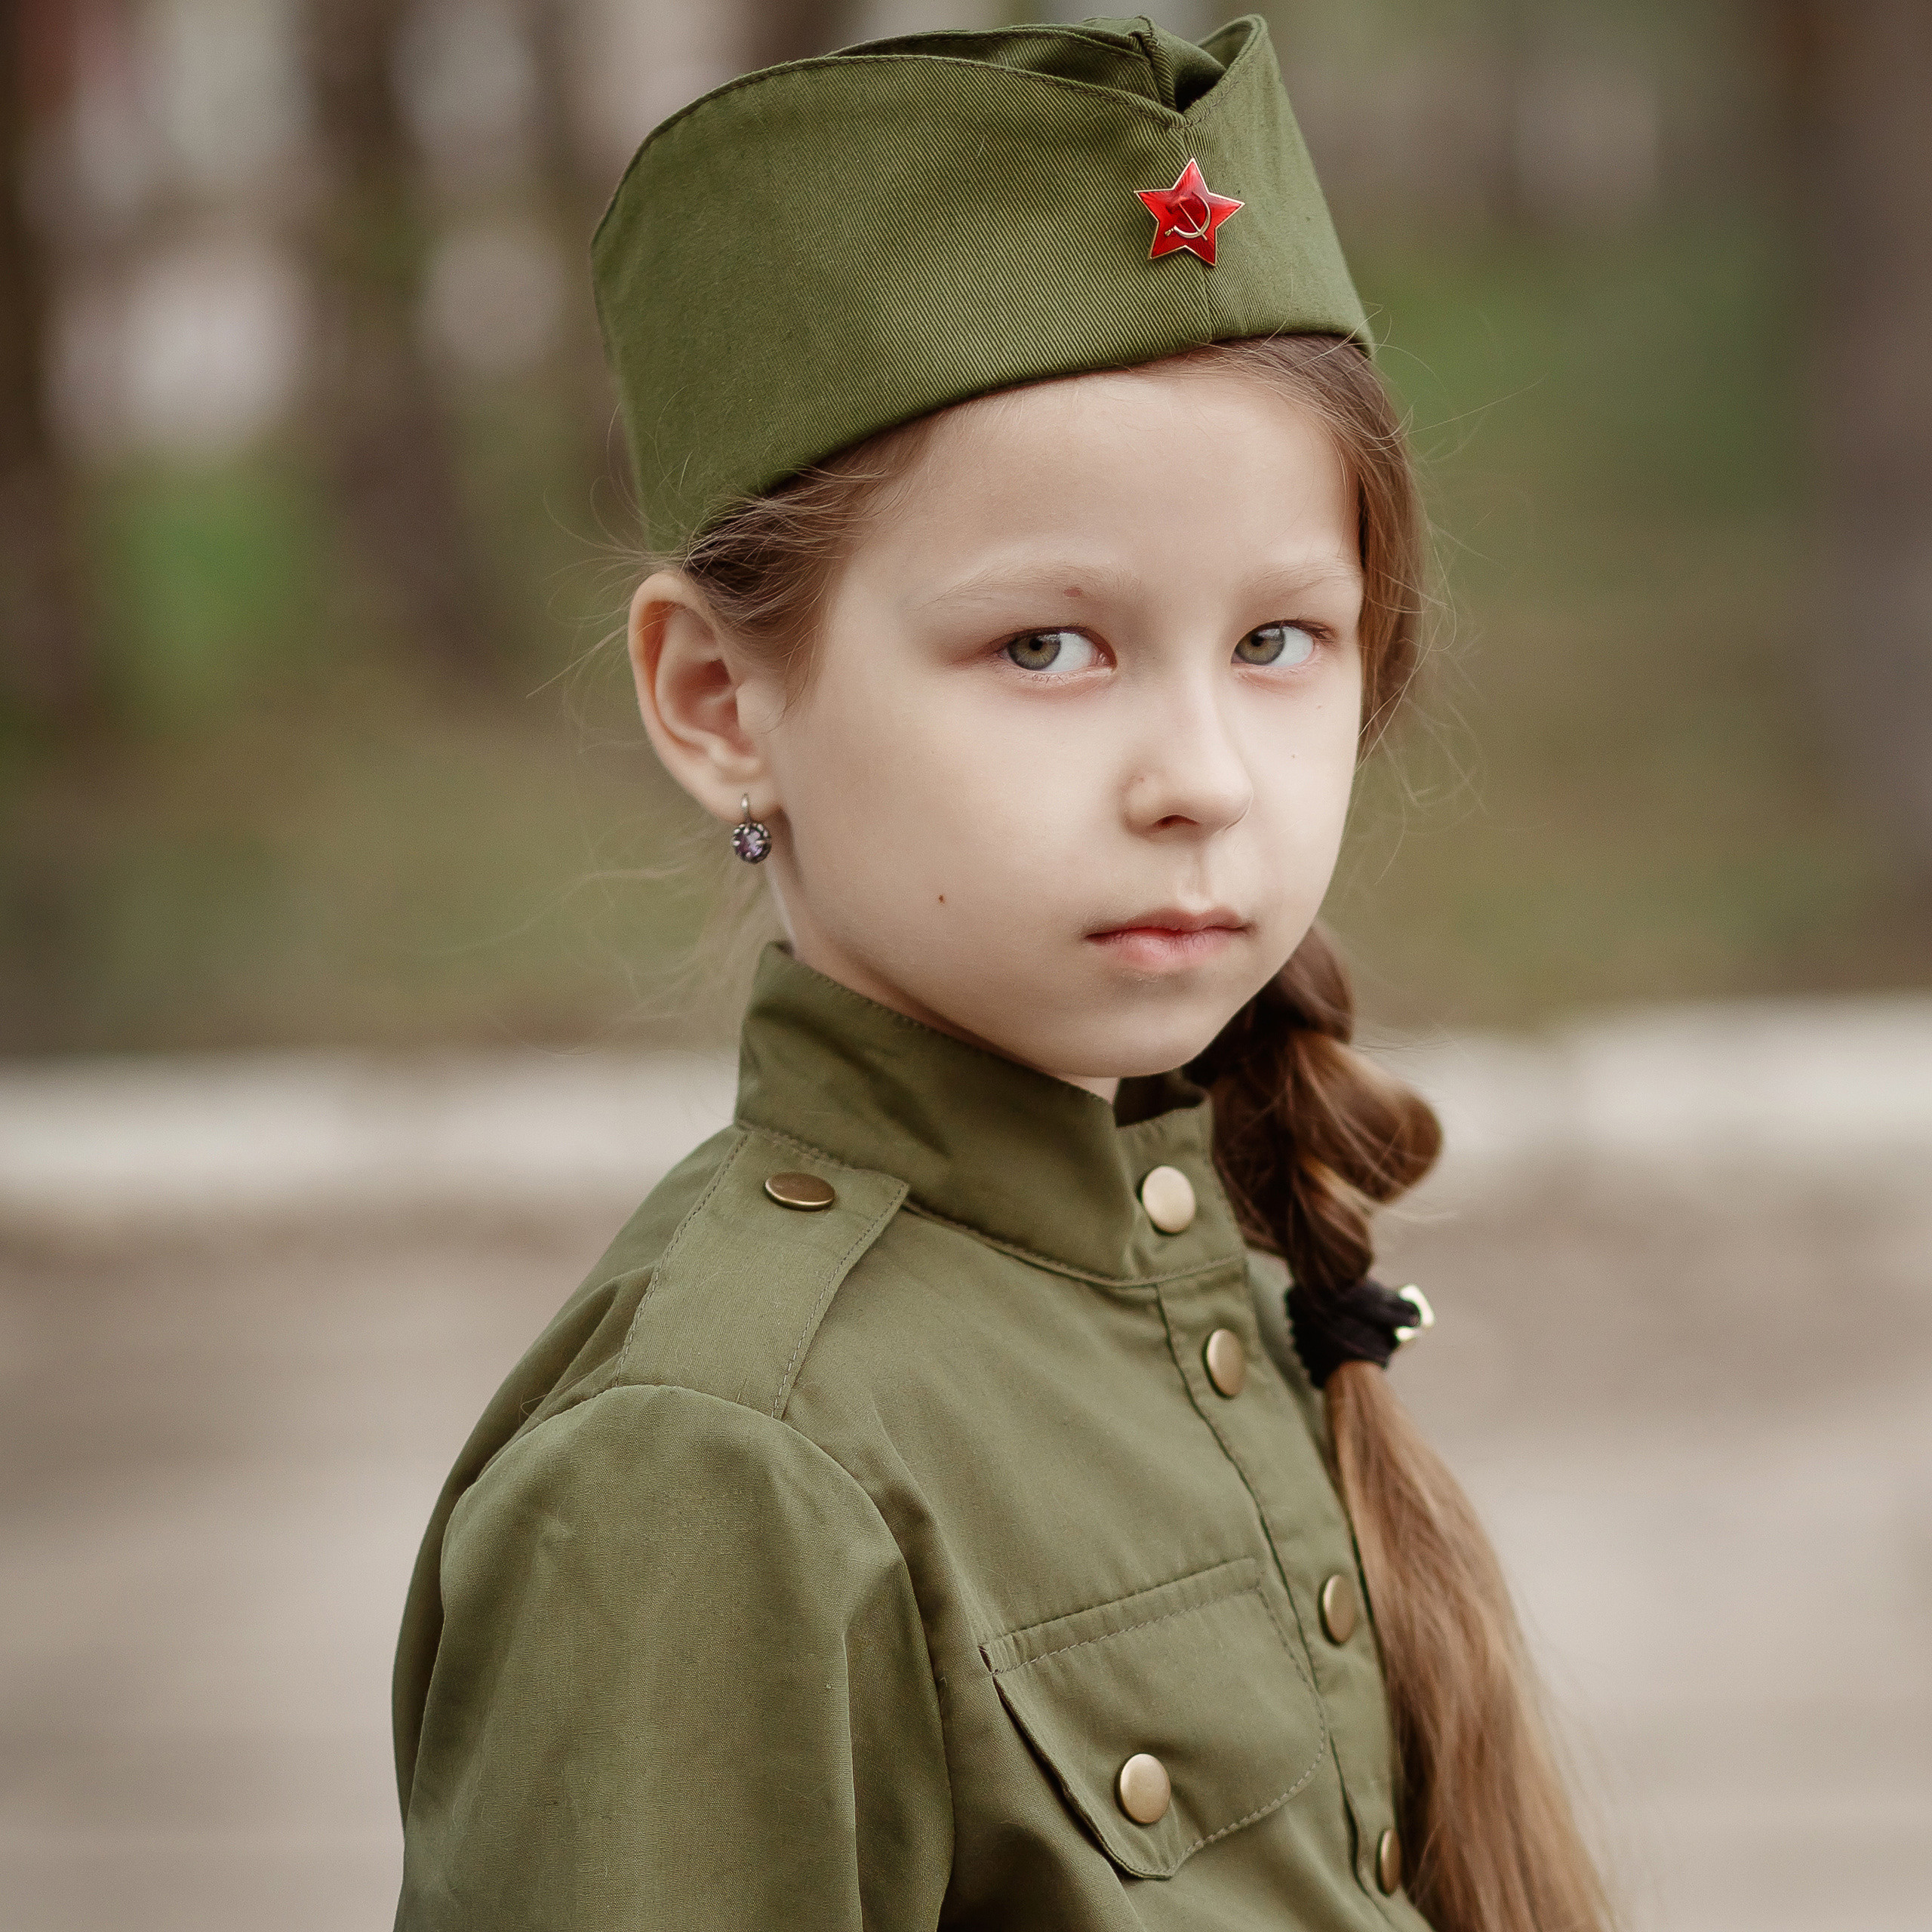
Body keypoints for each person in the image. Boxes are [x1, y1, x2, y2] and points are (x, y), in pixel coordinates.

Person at [391, 16, 1610, 1932]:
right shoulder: (712, 1472)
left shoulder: (1213, 1275)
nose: (1200, 776)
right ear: (721, 701)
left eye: (1280, 638)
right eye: (1048, 645)